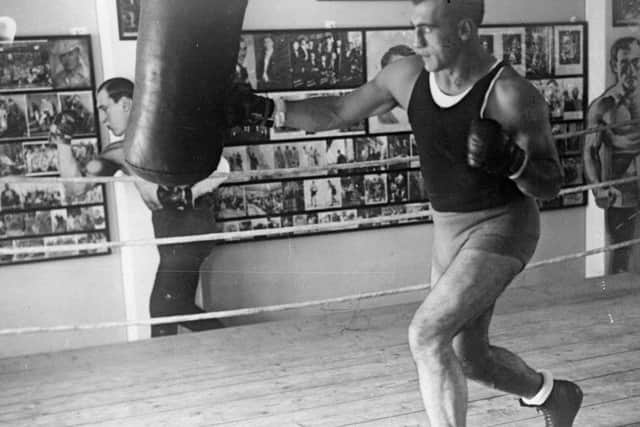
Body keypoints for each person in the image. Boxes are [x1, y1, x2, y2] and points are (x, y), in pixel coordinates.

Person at [226, 0, 581, 425]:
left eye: (427, 29)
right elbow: (338, 111)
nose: (415, 40)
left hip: (503, 226)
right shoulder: (407, 75)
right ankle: (551, 394)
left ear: (465, 29)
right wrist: (266, 110)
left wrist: (513, 162)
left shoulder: (509, 95)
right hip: (449, 230)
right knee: (469, 356)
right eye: (413, 28)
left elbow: (551, 181)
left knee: (427, 335)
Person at [50, 77, 229, 337]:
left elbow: (223, 167)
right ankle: (225, 349)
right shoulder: (118, 151)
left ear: (125, 104)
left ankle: (223, 350)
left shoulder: (169, 134)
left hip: (190, 227)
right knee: (174, 307)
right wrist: (62, 143)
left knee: (163, 308)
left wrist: (188, 192)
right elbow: (76, 188)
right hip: (170, 232)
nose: (102, 118)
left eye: (104, 108)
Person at [584, 36, 640, 274]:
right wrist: (598, 189)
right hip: (621, 192)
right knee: (620, 254)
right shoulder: (603, 107)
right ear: (613, 66)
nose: (631, 70)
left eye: (637, 62)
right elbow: (589, 152)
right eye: (624, 63)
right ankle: (615, 309)